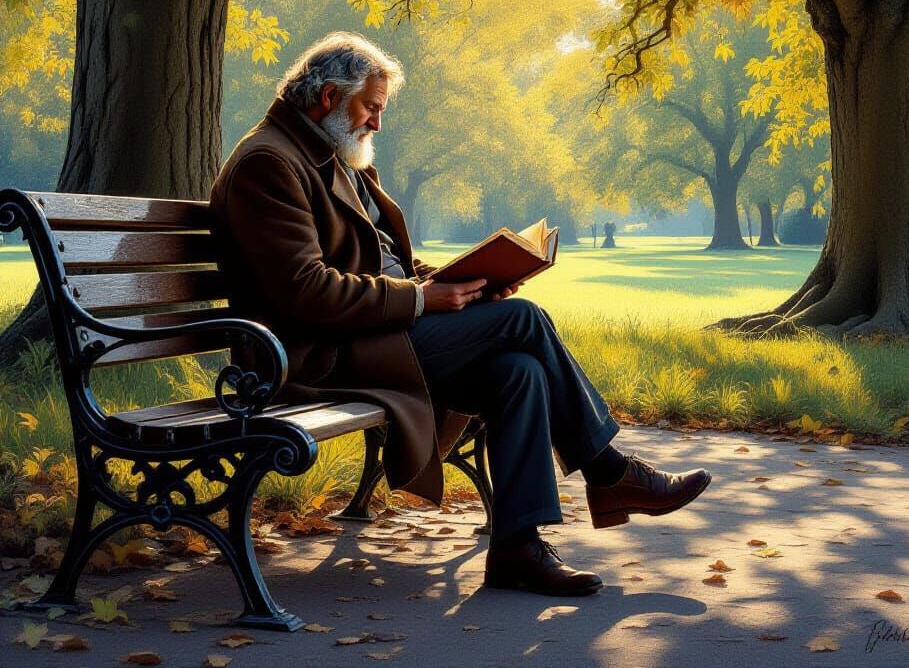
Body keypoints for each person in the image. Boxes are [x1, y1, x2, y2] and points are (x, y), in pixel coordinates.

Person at [210, 32, 712, 597]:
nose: (377, 123)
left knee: (517, 371)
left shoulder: (327, 155)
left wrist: (465, 284)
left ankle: (518, 549)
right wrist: (425, 299)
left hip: (378, 334)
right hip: (313, 356)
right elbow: (304, 292)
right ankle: (610, 473)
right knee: (524, 320)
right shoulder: (269, 164)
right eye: (371, 107)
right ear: (328, 96)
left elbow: (384, 262)